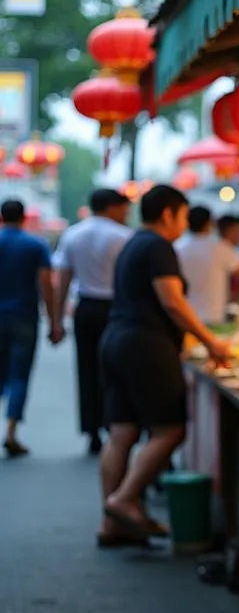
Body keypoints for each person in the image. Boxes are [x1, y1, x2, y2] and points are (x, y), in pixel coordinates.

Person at [98, 185, 232, 546]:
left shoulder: (133, 243)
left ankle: (112, 523)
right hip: (145, 344)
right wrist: (211, 342)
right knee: (170, 430)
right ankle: (125, 500)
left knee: (122, 432)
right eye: (183, 216)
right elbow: (172, 302)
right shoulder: (158, 246)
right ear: (169, 214)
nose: (184, 225)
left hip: (115, 338)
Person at [53, 188, 134, 454]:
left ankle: (92, 431)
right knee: (118, 371)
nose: (126, 213)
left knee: (87, 369)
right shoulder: (124, 237)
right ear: (112, 207)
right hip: (117, 309)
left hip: (85, 308)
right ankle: (117, 424)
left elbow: (63, 280)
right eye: (123, 208)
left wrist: (57, 320)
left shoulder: (73, 234)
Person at [0, 199, 63, 457]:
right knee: (19, 376)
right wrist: (53, 321)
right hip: (24, 317)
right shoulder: (35, 245)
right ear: (24, 218)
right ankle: (11, 432)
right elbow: (46, 286)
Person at [174, 206, 239, 324]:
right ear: (209, 224)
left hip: (184, 318)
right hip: (211, 318)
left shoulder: (178, 247)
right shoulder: (217, 247)